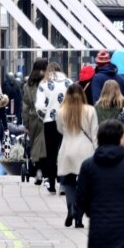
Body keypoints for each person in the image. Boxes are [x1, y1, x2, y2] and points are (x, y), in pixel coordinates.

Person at [57, 84, 98, 228]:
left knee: (69, 182)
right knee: (84, 185)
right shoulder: (90, 110)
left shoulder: (61, 111)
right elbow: (94, 134)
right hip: (86, 151)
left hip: (68, 149)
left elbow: (60, 130)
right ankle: (79, 218)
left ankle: (70, 208)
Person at [35, 62, 72, 194]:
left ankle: (51, 184)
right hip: (66, 121)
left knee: (51, 153)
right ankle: (63, 184)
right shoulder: (69, 83)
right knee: (64, 152)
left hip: (50, 122)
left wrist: (44, 116)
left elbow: (39, 106)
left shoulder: (44, 84)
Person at [23, 59, 49, 185]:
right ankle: (44, 172)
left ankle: (38, 170)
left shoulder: (28, 85)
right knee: (46, 145)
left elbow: (25, 106)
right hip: (47, 118)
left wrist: (26, 123)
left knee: (36, 146)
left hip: (33, 119)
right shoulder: (49, 83)